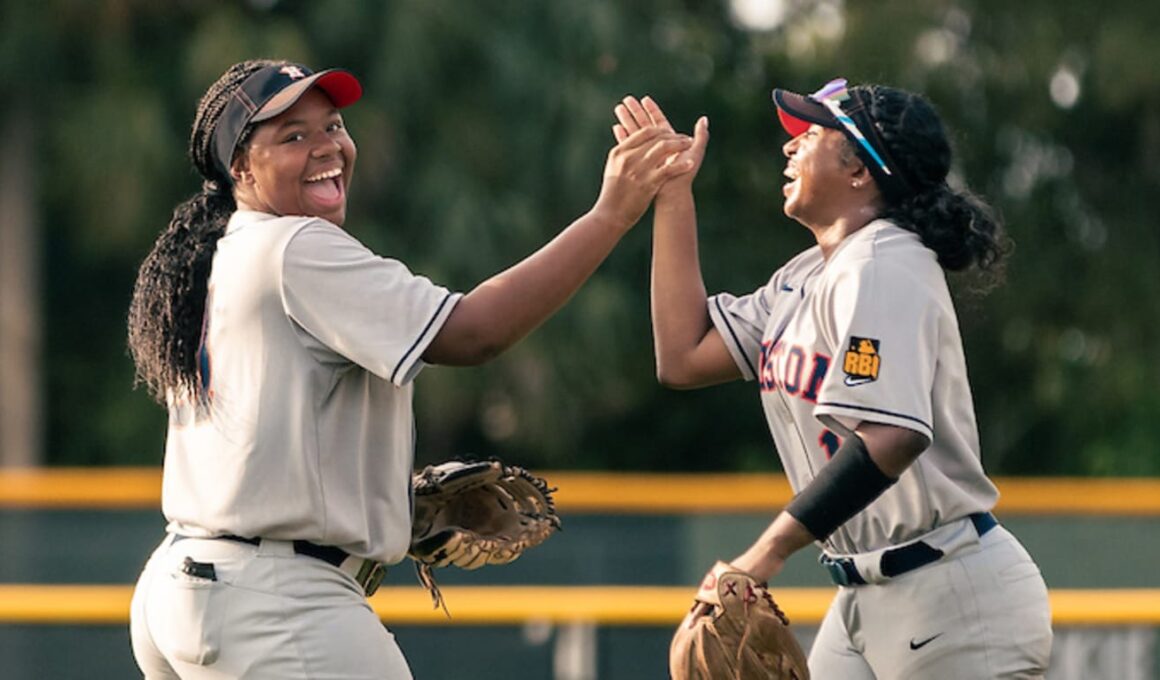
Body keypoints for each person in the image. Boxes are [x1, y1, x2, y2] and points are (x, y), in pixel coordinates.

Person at [125, 58, 694, 679]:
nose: (328, 148)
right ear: (240, 166)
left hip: (188, 587)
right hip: (277, 603)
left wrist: (377, 501)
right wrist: (611, 214)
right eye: (293, 136)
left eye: (333, 125)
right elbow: (473, 333)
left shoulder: (217, 255)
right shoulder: (294, 246)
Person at [613, 78, 1053, 678]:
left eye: (813, 134)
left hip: (950, 596)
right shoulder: (805, 278)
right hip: (860, 599)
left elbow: (890, 438)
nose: (790, 147)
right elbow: (683, 355)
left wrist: (764, 555)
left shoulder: (885, 262)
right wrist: (673, 196)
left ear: (859, 172)